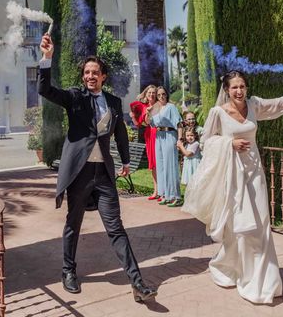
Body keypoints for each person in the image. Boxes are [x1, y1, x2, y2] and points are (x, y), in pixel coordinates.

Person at [182, 70, 283, 304]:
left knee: (261, 225)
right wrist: (229, 143)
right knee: (240, 228)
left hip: (255, 175)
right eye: (234, 87)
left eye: (242, 86)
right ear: (226, 90)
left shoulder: (254, 105)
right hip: (232, 177)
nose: (239, 91)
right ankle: (233, 268)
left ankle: (263, 282)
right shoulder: (217, 113)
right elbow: (206, 142)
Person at [37, 34, 157, 303]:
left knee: (116, 228)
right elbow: (46, 90)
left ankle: (137, 283)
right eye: (87, 73)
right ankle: (68, 271)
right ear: (83, 77)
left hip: (103, 174)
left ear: (104, 76)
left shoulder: (114, 103)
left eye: (95, 72)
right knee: (73, 224)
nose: (90, 76)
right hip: (79, 173)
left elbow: (122, 133)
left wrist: (126, 161)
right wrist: (47, 58)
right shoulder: (75, 97)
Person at [146, 86, 182, 207]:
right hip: (159, 136)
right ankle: (165, 194)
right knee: (161, 166)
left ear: (167, 95)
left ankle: (175, 196)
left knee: (170, 165)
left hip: (170, 135)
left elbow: (179, 123)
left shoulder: (171, 107)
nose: (161, 96)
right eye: (159, 95)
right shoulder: (156, 108)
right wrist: (148, 112)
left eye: (163, 94)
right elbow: (149, 123)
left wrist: (180, 139)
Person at [130, 85, 158, 200]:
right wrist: (145, 113)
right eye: (149, 93)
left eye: (153, 93)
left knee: (161, 163)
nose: (151, 94)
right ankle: (156, 190)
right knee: (153, 164)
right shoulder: (143, 107)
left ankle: (165, 191)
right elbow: (144, 123)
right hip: (150, 134)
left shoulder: (160, 105)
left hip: (160, 134)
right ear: (146, 94)